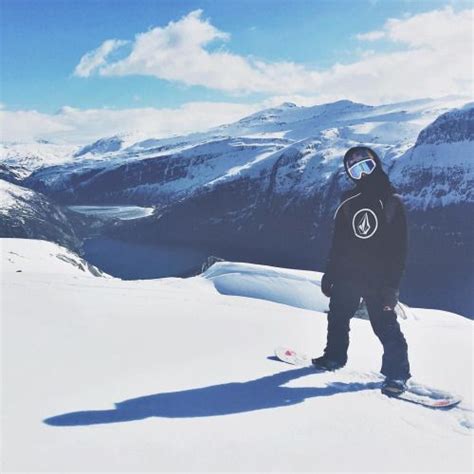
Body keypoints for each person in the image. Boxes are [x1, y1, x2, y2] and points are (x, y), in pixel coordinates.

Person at [314, 146, 411, 396]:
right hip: (348, 273)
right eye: (354, 169)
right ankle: (334, 357)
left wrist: (392, 286)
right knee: (337, 316)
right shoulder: (348, 202)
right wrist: (330, 273)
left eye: (366, 165)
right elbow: (339, 242)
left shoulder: (392, 201)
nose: (362, 173)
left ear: (376, 164)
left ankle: (397, 374)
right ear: (349, 174)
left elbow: (399, 250)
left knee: (384, 325)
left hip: (378, 279)